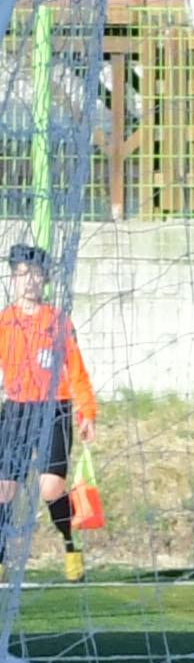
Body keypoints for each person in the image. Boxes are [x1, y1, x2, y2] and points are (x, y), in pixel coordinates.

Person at [1, 243, 98, 582]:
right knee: (4, 488)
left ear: (45, 280)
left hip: (52, 411)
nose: (28, 281)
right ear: (13, 279)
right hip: (15, 411)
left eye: (35, 274)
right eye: (21, 274)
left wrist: (87, 411)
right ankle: (0, 557)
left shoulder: (58, 322)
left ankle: (71, 546)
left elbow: (77, 370)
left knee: (50, 489)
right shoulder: (4, 322)